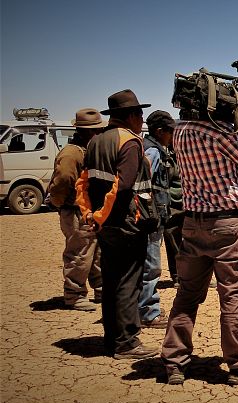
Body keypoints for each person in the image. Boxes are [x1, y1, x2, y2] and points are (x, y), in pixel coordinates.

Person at [161, 99, 238, 385]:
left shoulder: (180, 130)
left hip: (193, 223)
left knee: (186, 295)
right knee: (232, 296)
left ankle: (174, 363)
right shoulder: (219, 133)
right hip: (228, 226)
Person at [74, 90, 159, 360]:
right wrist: (100, 215)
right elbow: (122, 186)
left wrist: (89, 213)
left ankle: (112, 339)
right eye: (140, 114)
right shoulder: (130, 143)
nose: (142, 119)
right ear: (132, 116)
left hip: (106, 224)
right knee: (128, 283)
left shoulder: (96, 142)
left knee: (111, 281)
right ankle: (127, 342)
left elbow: (83, 182)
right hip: (127, 223)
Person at [48, 108, 105, 311]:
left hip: (89, 211)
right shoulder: (72, 153)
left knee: (96, 253)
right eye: (98, 131)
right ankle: (74, 294)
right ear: (88, 132)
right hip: (75, 211)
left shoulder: (87, 150)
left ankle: (100, 290)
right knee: (80, 253)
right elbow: (63, 180)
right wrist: (61, 203)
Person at [139, 110, 176, 328]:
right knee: (151, 265)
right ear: (160, 131)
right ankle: (148, 312)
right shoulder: (152, 151)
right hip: (151, 216)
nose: (172, 136)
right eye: (170, 131)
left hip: (151, 214)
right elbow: (145, 184)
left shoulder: (151, 147)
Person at [162, 135, 184, 288]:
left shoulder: (189, 160)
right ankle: (176, 276)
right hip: (173, 207)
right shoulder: (168, 161)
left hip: (188, 207)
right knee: (173, 243)